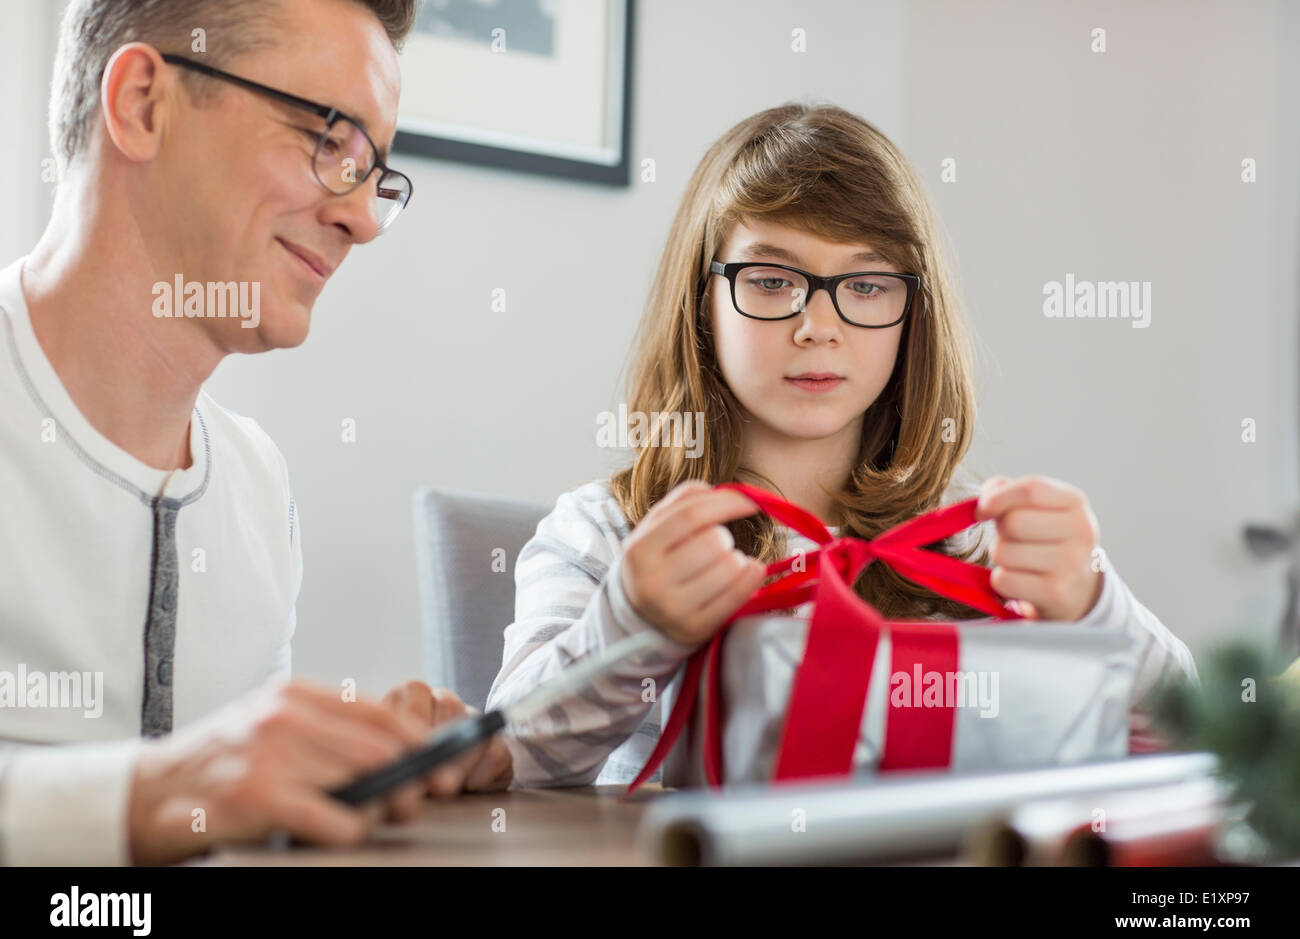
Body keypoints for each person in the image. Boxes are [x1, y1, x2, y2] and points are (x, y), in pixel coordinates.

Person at [478, 103, 1199, 786]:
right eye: (771, 280)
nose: (819, 326)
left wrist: (1092, 605)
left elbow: (1201, 737)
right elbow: (505, 754)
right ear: (700, 300)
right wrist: (634, 625)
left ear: (912, 311)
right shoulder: (608, 532)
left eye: (866, 285)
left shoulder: (979, 542)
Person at [0, 0, 509, 866]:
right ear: (142, 105)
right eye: (328, 138)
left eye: (373, 171)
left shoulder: (256, 484)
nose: (364, 219)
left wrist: (354, 765)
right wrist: (151, 795)